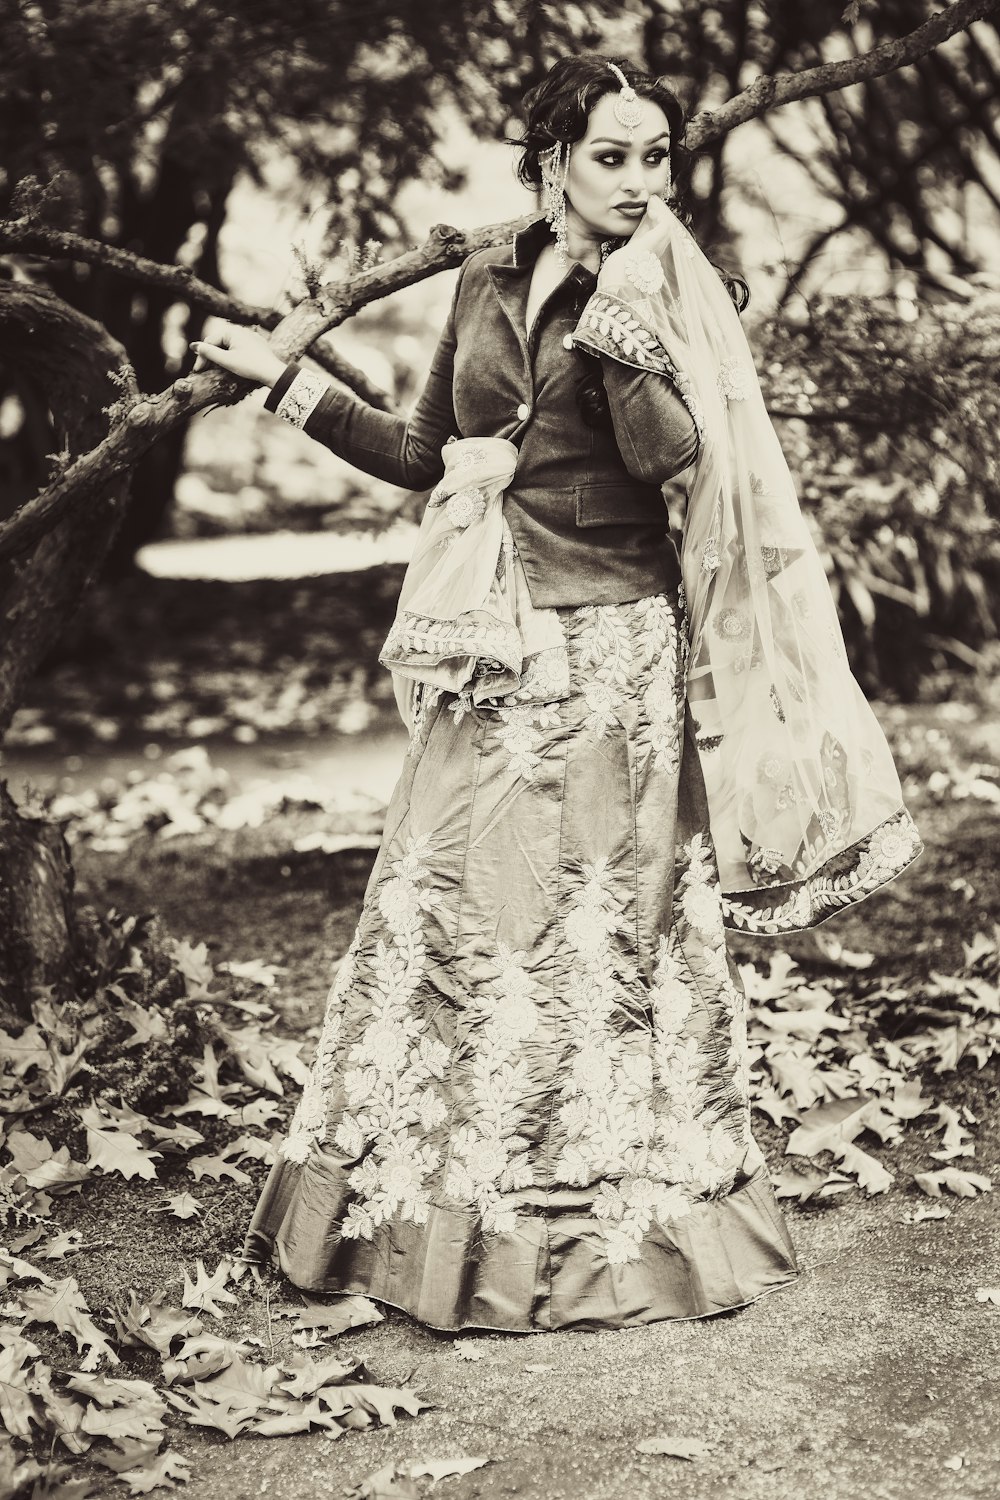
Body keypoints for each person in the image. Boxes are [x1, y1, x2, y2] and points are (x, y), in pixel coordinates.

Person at [191, 56, 921, 1333]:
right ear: (549, 161)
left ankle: (594, 1238)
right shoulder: (482, 271)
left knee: (587, 940)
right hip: (490, 643)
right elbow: (422, 456)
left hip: (613, 652)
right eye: (612, 156)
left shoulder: (668, 288)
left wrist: (628, 340)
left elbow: (681, 469)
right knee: (439, 915)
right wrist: (283, 378)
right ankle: (416, 1219)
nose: (640, 183)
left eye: (656, 157)